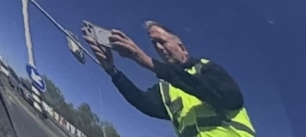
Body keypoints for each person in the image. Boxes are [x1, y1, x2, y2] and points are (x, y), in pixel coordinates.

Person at [88, 22, 257, 137]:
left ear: (181, 47)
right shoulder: (166, 89)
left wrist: (147, 62)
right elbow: (142, 101)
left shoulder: (207, 68)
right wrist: (111, 70)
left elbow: (229, 97)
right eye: (155, 44)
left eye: (162, 41)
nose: (159, 48)